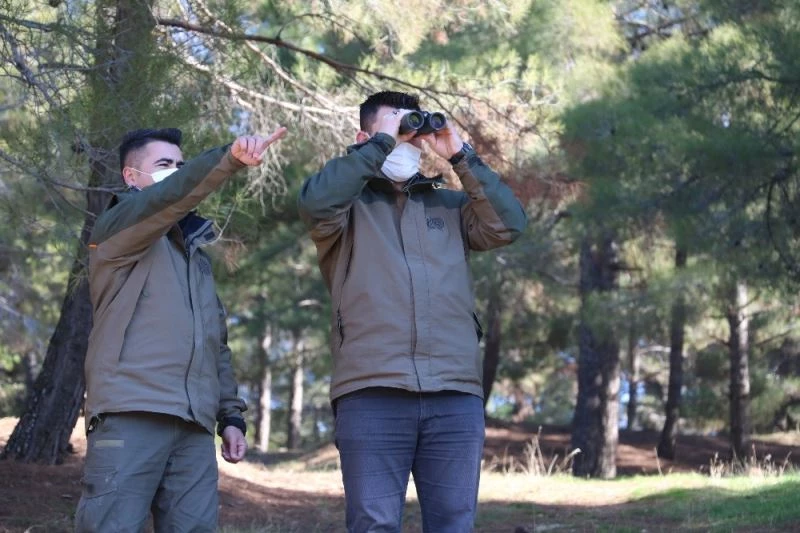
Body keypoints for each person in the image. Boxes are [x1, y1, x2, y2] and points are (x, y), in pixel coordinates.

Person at [298, 91, 527, 532]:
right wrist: (379, 145)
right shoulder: (345, 208)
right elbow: (315, 203)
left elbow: (508, 224)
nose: (406, 139)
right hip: (372, 389)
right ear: (365, 136)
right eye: (394, 129)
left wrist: (460, 156)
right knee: (373, 523)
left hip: (454, 391)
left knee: (454, 524)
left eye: (410, 131)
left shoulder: (450, 205)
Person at [76, 125, 287, 533]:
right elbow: (170, 198)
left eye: (180, 164)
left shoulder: (194, 257)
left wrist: (230, 416)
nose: (175, 171)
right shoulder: (117, 231)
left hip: (192, 426)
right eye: (163, 164)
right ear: (131, 177)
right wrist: (228, 160)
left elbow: (215, 344)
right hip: (131, 412)